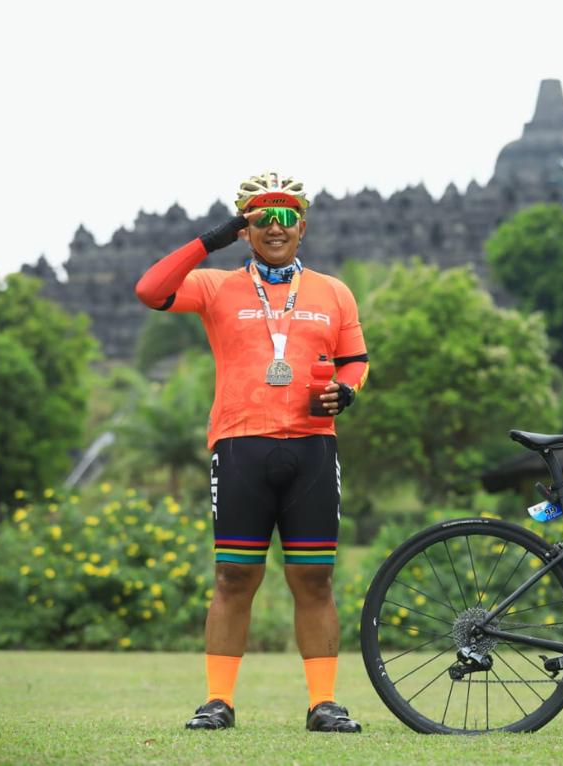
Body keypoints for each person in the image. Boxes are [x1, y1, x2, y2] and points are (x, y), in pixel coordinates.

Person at [134, 172, 368, 733]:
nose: (275, 227)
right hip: (240, 447)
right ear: (246, 229)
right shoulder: (215, 286)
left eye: (286, 217)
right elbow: (150, 290)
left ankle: (324, 703)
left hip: (312, 449)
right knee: (234, 576)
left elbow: (353, 358)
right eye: (261, 218)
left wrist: (349, 391)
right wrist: (209, 240)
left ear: (303, 226)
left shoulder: (333, 291)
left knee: (313, 579)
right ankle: (218, 701)